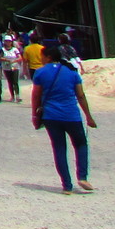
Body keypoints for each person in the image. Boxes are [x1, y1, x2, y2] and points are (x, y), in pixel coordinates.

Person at [32, 43, 97, 194]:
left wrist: (35, 115)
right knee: (81, 144)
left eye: (42, 56)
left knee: (59, 148)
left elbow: (36, 96)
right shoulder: (72, 73)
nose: (41, 59)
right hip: (71, 115)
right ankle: (82, 177)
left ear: (48, 57)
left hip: (51, 116)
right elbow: (80, 95)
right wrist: (88, 116)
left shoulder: (40, 73)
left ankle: (67, 186)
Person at [0, 36, 24, 102]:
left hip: (15, 67)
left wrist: (14, 61)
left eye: (9, 41)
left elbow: (20, 57)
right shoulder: (2, 49)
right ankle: (12, 96)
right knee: (10, 82)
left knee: (15, 81)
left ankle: (17, 96)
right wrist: (6, 60)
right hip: (6, 67)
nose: (8, 42)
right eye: (6, 41)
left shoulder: (15, 49)